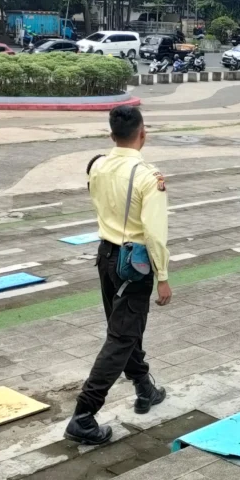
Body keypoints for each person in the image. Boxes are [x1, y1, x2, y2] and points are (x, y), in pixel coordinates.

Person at [65, 105, 171, 446]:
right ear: (143, 133)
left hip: (107, 256)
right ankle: (84, 415)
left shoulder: (97, 165)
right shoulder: (147, 176)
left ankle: (145, 388)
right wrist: (164, 275)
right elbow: (155, 233)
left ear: (112, 135)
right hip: (134, 263)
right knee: (122, 336)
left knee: (126, 329)